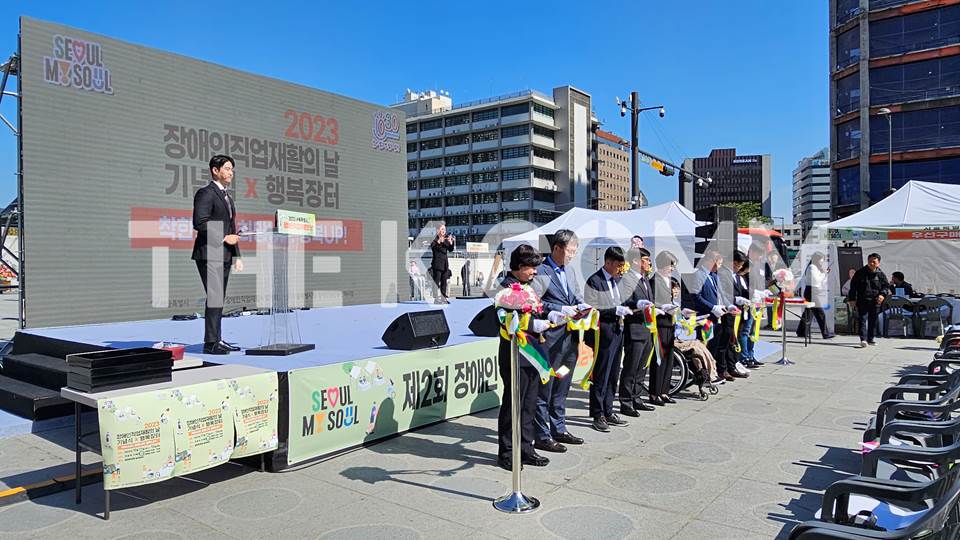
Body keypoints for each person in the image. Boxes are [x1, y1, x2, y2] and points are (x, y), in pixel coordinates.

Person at [531, 229, 588, 453]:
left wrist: (582, 306)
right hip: (550, 339)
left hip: (569, 339)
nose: (572, 255)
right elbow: (536, 303)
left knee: (562, 383)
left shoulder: (570, 272)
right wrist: (560, 308)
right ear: (556, 248)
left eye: (575, 251)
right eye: (570, 251)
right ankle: (542, 435)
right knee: (546, 386)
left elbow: (576, 296)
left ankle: (559, 427)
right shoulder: (541, 271)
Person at [496, 244, 550, 470]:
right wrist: (531, 325)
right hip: (515, 353)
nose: (535, 272)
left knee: (529, 405)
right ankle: (507, 452)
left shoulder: (528, 287)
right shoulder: (505, 288)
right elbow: (505, 320)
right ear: (519, 266)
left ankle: (526, 448)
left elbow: (537, 309)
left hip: (532, 354)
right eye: (531, 267)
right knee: (513, 405)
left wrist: (552, 315)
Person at [192, 155, 243, 355]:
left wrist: (236, 255)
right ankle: (211, 343)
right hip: (209, 253)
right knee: (215, 297)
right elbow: (200, 222)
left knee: (218, 298)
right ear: (215, 170)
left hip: (224, 255)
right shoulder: (206, 193)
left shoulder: (227, 197)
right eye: (227, 169)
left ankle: (217, 339)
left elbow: (232, 229)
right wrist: (223, 237)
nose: (231, 173)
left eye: (232, 170)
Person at [583, 247, 631, 432]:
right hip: (602, 333)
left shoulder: (618, 280)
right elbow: (593, 308)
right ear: (608, 262)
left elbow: (623, 300)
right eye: (618, 265)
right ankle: (598, 413)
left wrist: (632, 305)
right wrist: (614, 311)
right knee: (601, 374)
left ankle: (608, 410)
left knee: (613, 373)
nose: (620, 269)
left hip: (618, 331)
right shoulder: (594, 281)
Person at [619, 247, 656, 413]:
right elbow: (625, 301)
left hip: (646, 328)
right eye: (646, 259)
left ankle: (637, 397)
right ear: (636, 261)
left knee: (642, 367)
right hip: (634, 328)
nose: (649, 263)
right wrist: (637, 305)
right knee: (631, 367)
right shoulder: (627, 279)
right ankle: (626, 401)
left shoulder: (644, 279)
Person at [691, 250, 737, 382]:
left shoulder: (714, 276)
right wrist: (712, 307)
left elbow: (721, 294)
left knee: (715, 346)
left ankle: (713, 373)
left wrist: (729, 305)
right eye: (719, 263)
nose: (720, 266)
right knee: (705, 347)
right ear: (710, 261)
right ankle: (704, 375)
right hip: (705, 317)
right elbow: (696, 297)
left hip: (717, 317)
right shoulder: (698, 275)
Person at [649, 250, 680, 404]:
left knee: (668, 358)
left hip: (669, 322)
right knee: (659, 358)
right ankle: (655, 393)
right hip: (660, 323)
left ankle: (664, 391)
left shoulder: (669, 280)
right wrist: (664, 306)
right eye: (670, 265)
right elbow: (653, 302)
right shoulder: (655, 280)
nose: (672, 269)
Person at [847, 253, 891, 348]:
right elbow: (853, 286)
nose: (871, 263)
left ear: (878, 263)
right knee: (862, 319)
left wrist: (882, 295)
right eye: (870, 261)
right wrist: (852, 299)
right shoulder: (860, 273)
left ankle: (870, 339)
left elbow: (886, 286)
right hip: (863, 300)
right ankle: (863, 339)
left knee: (873, 320)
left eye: (874, 262)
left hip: (875, 301)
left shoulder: (880, 274)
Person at [798, 253, 834, 340]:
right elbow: (816, 280)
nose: (822, 261)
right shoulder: (812, 267)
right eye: (821, 259)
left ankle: (801, 331)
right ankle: (825, 334)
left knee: (808, 313)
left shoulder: (816, 268)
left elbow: (822, 281)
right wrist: (824, 273)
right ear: (816, 259)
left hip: (813, 291)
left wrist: (825, 273)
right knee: (820, 314)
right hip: (811, 291)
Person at [735, 260, 761, 368]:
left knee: (752, 332)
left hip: (753, 305)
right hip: (745, 306)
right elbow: (743, 291)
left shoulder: (744, 277)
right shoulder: (739, 277)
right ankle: (744, 356)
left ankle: (750, 355)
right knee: (745, 332)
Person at [429, 224, 455, 304]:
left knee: (444, 281)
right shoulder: (434, 239)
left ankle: (443, 297)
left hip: (445, 263)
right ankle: (436, 298)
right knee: (436, 282)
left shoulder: (445, 238)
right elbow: (434, 248)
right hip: (437, 263)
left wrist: (451, 242)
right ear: (438, 230)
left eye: (444, 229)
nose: (444, 231)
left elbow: (450, 249)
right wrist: (439, 242)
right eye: (442, 229)